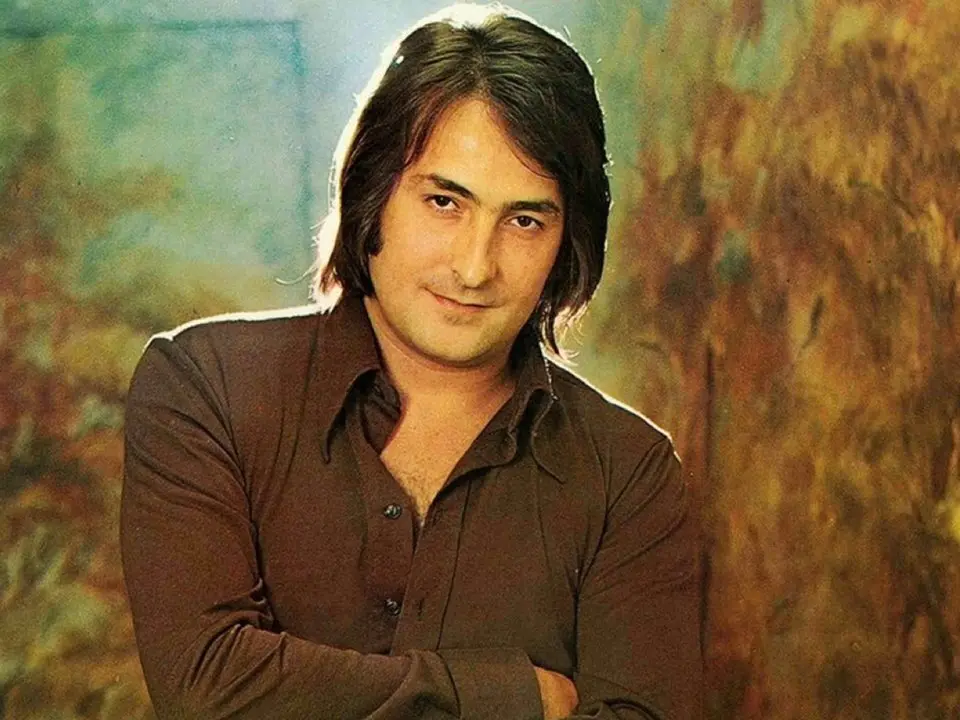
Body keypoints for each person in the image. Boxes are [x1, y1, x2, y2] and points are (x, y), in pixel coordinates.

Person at [120, 4, 703, 719]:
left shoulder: (629, 472)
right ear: (373, 192)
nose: (475, 267)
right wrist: (518, 696)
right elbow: (206, 685)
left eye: (524, 220)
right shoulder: (205, 386)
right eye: (444, 202)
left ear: (566, 242)